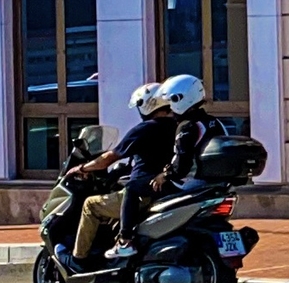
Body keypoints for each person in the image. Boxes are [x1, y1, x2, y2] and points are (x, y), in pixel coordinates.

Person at [65, 76, 216, 268]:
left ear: (145, 106)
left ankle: (79, 260)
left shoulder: (146, 129)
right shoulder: (180, 126)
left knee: (91, 205)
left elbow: (109, 158)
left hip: (148, 190)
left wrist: (82, 168)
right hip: (174, 188)